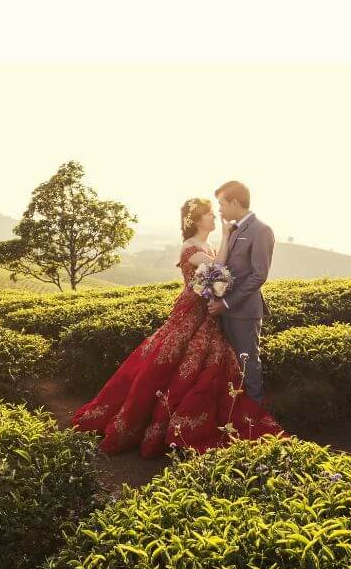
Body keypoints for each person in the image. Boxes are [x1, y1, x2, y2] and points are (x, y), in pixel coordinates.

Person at [71, 193, 282, 458]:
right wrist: (227, 237)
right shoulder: (191, 247)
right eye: (208, 214)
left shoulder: (210, 247)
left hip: (207, 313)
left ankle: (227, 414)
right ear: (196, 220)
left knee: (209, 364)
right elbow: (218, 270)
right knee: (172, 362)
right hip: (191, 311)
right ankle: (160, 425)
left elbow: (219, 276)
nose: (214, 216)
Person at [207, 180, 275, 403]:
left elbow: (259, 275)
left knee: (249, 365)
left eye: (222, 204)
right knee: (231, 367)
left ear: (235, 202)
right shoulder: (234, 229)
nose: (220, 210)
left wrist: (226, 303)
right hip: (224, 311)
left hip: (244, 312)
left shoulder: (261, 230)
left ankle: (255, 419)